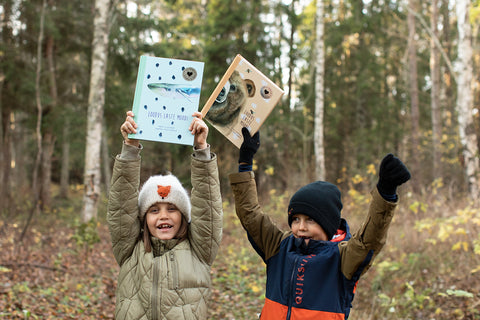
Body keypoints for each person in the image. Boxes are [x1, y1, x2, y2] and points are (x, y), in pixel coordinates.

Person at [228, 128, 411, 319]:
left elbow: (370, 241)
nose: (301, 228)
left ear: (328, 225)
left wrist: (386, 193)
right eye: (296, 219)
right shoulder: (279, 247)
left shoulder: (342, 259)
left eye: (311, 220)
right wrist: (245, 162)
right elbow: (249, 214)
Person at [107, 110, 223, 320]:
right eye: (153, 210)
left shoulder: (200, 251)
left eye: (171, 209)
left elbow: (208, 207)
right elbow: (121, 205)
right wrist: (130, 148)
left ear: (183, 217)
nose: (163, 216)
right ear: (142, 220)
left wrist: (201, 149)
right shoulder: (129, 251)